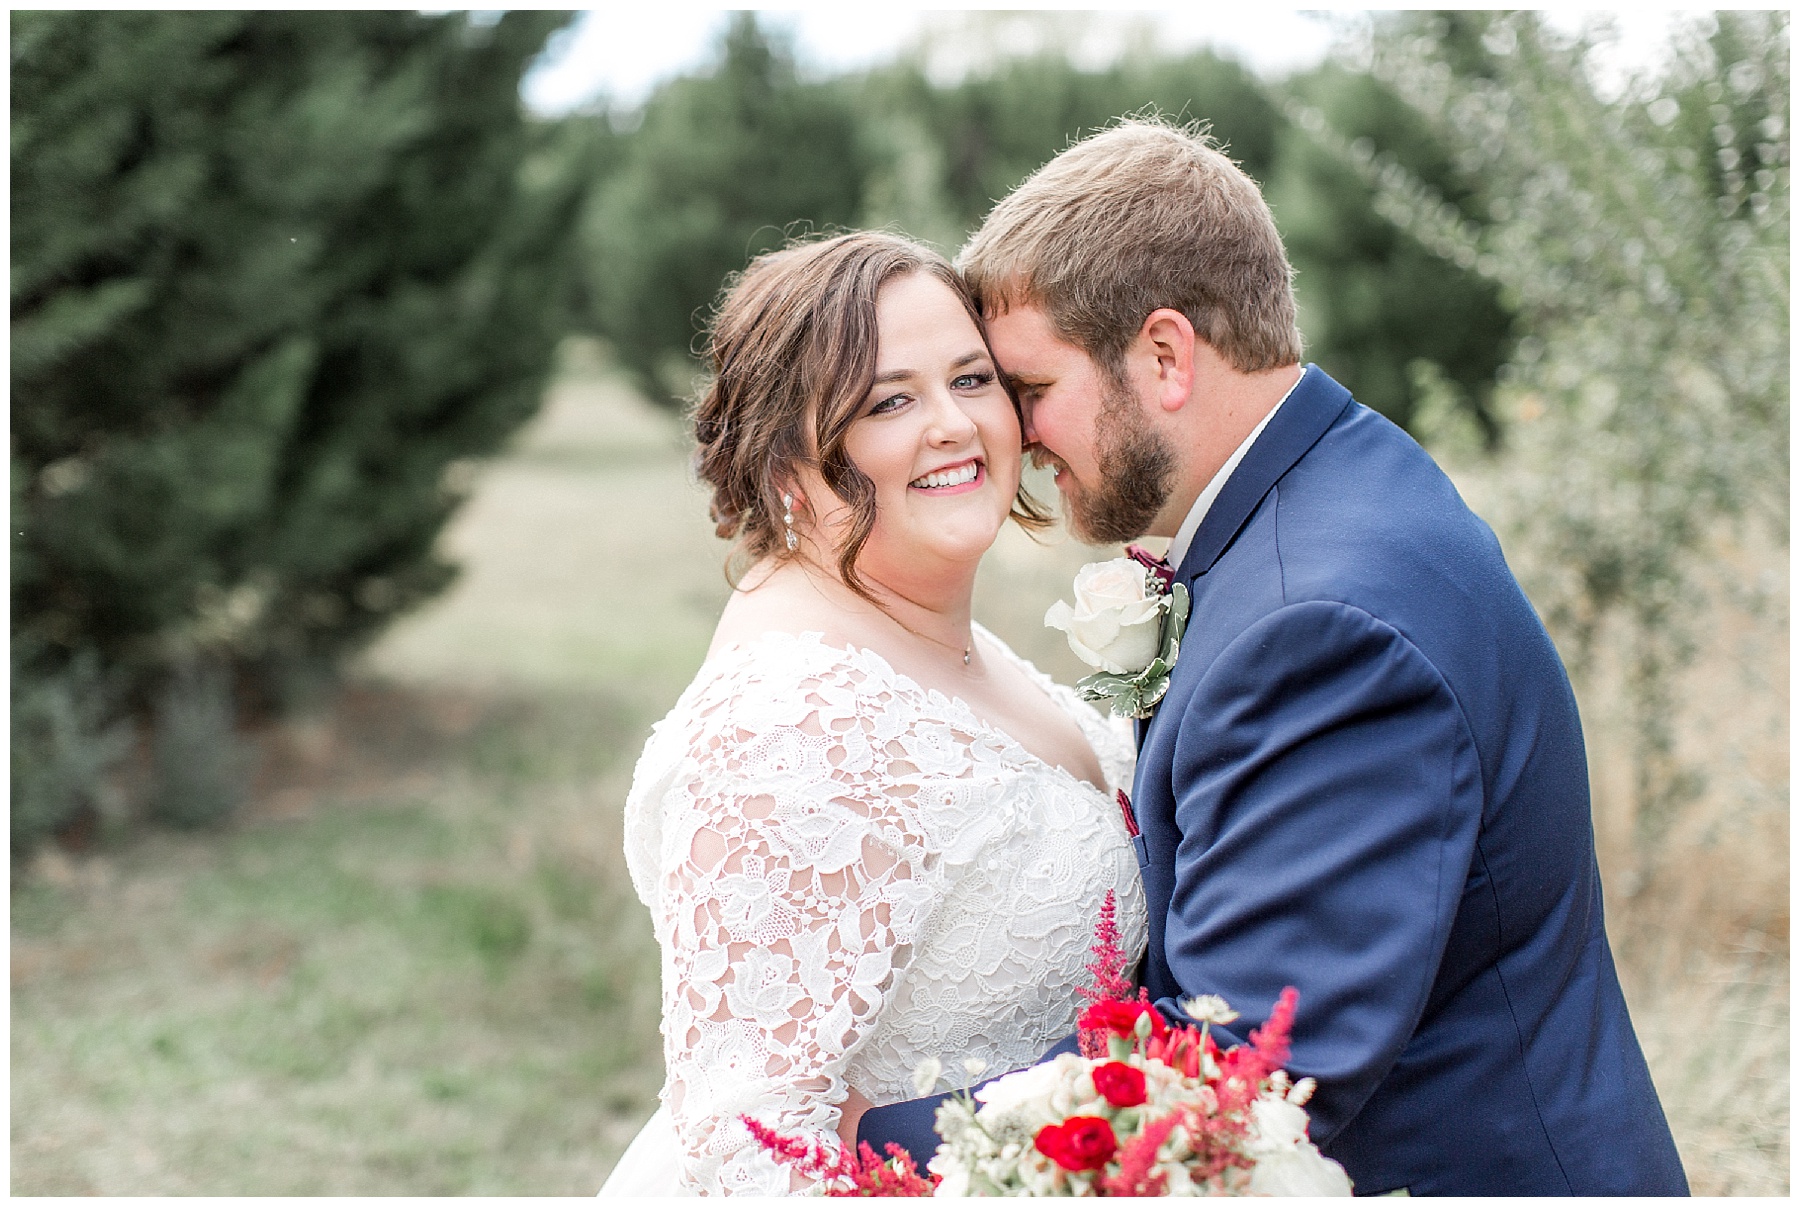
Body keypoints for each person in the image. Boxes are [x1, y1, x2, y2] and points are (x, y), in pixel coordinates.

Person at [859, 118, 1689, 1195]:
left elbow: (1239, 1070)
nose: (1012, 437)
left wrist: (875, 1140)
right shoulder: (1335, 479)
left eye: (1029, 391)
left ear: (1165, 356)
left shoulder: (1321, 627)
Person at [598, 231, 1149, 1195]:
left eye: (972, 380)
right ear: (782, 462)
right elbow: (750, 1153)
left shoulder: (926, 633)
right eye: (890, 401)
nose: (954, 424)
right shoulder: (785, 728)